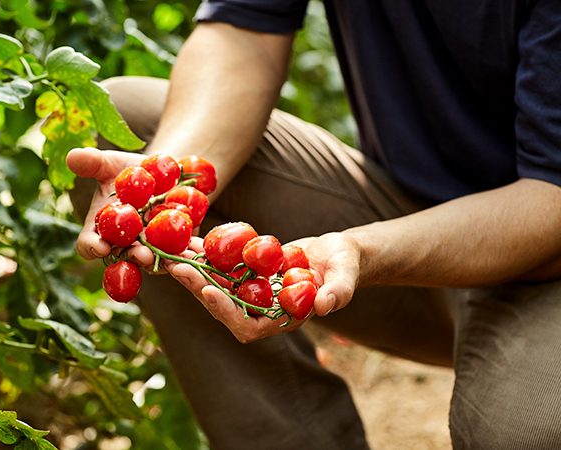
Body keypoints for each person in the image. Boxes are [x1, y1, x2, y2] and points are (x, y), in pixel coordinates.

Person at [66, 1, 561, 448]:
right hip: (405, 209)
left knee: (528, 434)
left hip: (547, 255)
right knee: (133, 127)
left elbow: (552, 195)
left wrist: (364, 251)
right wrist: (165, 183)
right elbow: (245, 30)